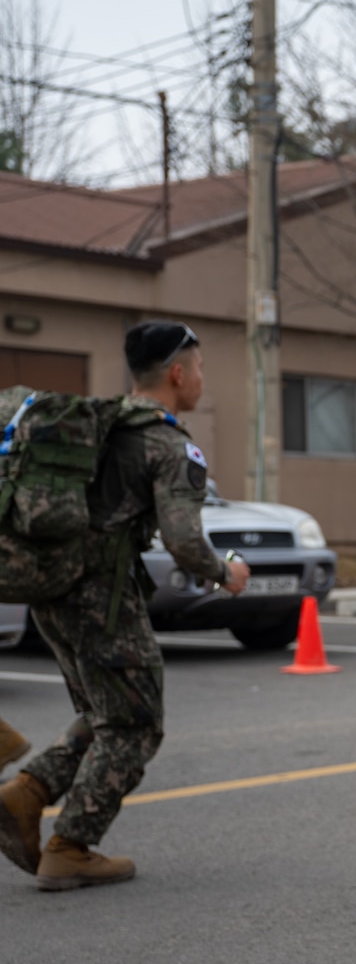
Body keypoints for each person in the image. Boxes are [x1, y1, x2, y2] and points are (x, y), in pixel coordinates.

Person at [0, 322, 249, 890]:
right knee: (136, 724)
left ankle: (26, 794)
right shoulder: (168, 443)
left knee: (105, 712)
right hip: (103, 601)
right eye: (201, 369)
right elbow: (184, 540)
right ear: (178, 373)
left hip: (51, 592)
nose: (203, 380)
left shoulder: (96, 423)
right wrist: (225, 573)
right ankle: (71, 845)